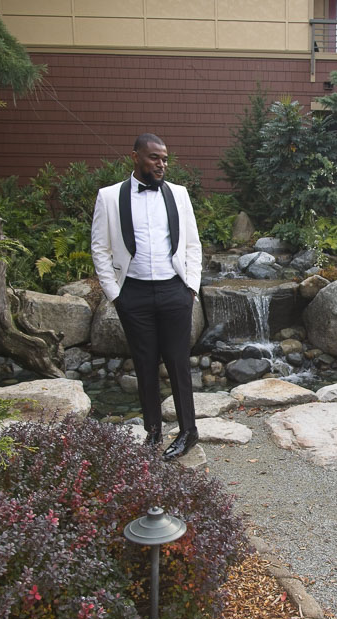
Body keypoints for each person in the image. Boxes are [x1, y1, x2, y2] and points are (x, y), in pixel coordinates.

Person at [91, 133, 201, 461]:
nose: (161, 164)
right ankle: (153, 434)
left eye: (165, 158)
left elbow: (193, 244)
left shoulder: (179, 195)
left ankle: (188, 432)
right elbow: (100, 248)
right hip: (133, 294)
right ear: (136, 156)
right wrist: (115, 294)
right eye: (154, 157)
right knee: (144, 365)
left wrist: (191, 288)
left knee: (179, 364)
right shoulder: (109, 197)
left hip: (174, 290)